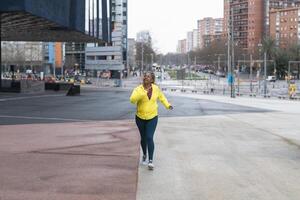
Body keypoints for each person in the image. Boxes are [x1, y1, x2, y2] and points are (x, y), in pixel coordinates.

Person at [130, 71, 173, 170]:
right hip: (140, 117)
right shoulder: (138, 89)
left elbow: (162, 98)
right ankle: (144, 154)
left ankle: (150, 160)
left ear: (152, 79)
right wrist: (142, 93)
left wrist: (168, 105)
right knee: (143, 138)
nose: (146, 77)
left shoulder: (156, 89)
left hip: (152, 117)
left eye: (148, 76)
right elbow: (132, 100)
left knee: (149, 137)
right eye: (145, 76)